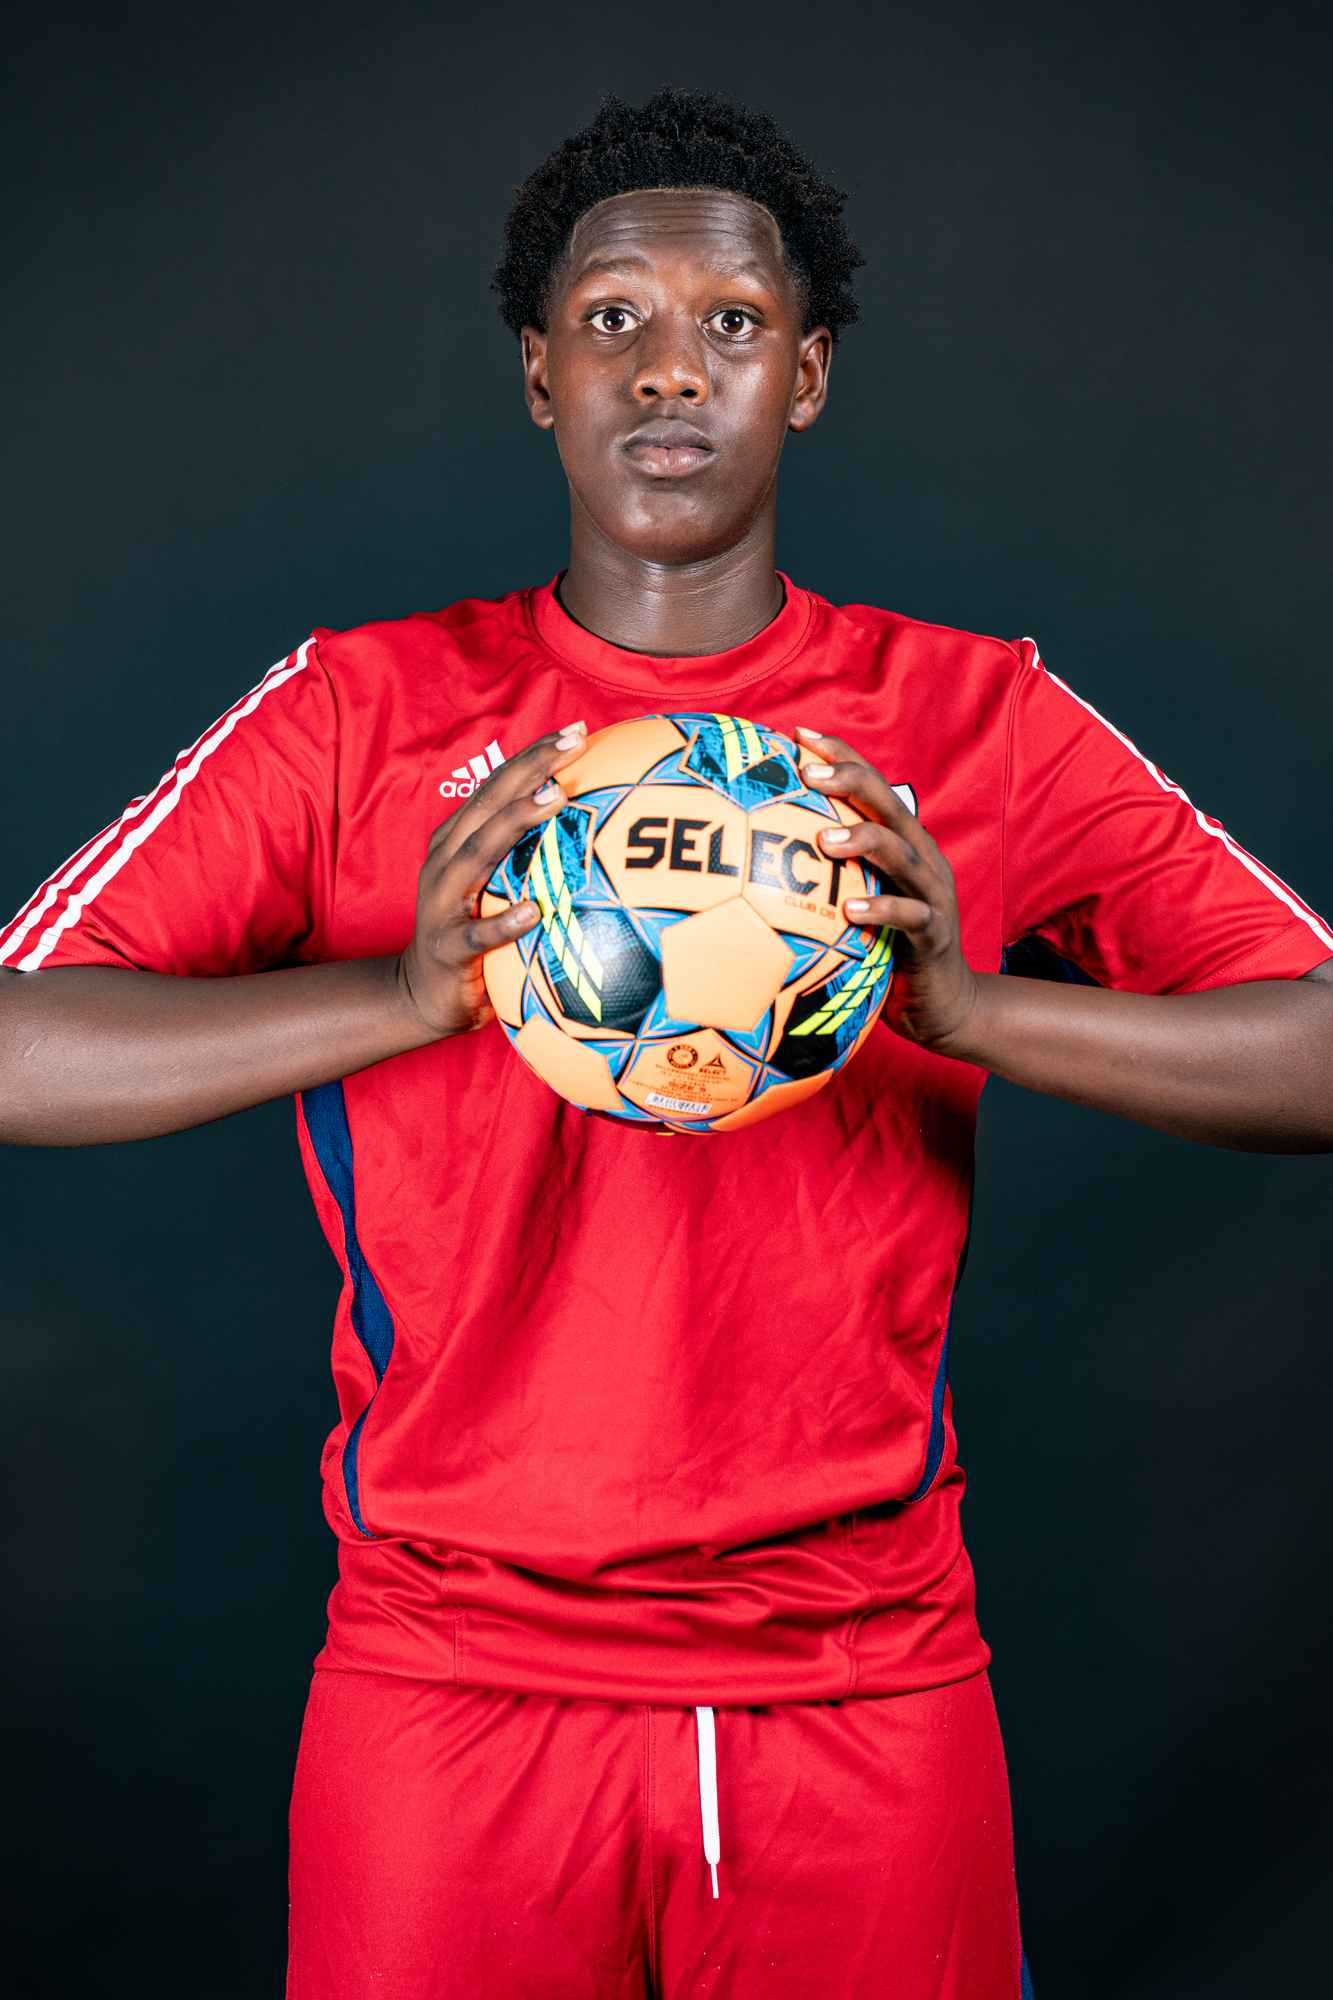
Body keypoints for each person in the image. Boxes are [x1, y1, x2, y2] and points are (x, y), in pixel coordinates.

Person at [2, 87, 1331, 2000]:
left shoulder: (974, 721)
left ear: (808, 375)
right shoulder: (359, 712)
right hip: (448, 1678)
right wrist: (401, 999)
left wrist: (970, 1012)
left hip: (862, 1682)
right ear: (538, 375)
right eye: (612, 317)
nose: (669, 369)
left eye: (731, 321)